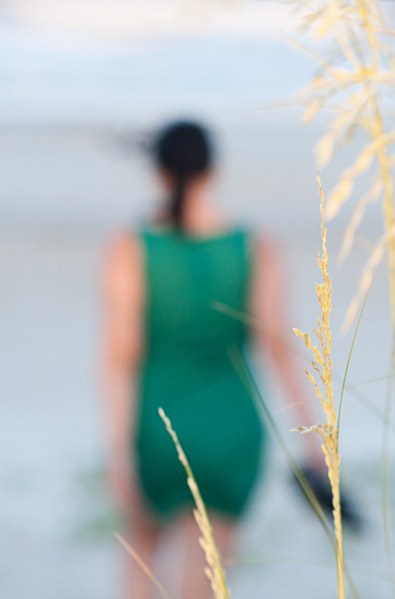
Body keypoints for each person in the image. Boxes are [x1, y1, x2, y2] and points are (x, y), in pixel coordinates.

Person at [100, 120, 320, 599]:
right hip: (231, 432)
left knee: (141, 554)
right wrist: (313, 445)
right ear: (212, 171)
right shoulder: (255, 246)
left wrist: (117, 456)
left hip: (156, 430)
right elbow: (278, 349)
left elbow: (121, 357)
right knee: (209, 573)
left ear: (157, 174)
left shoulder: (132, 248)